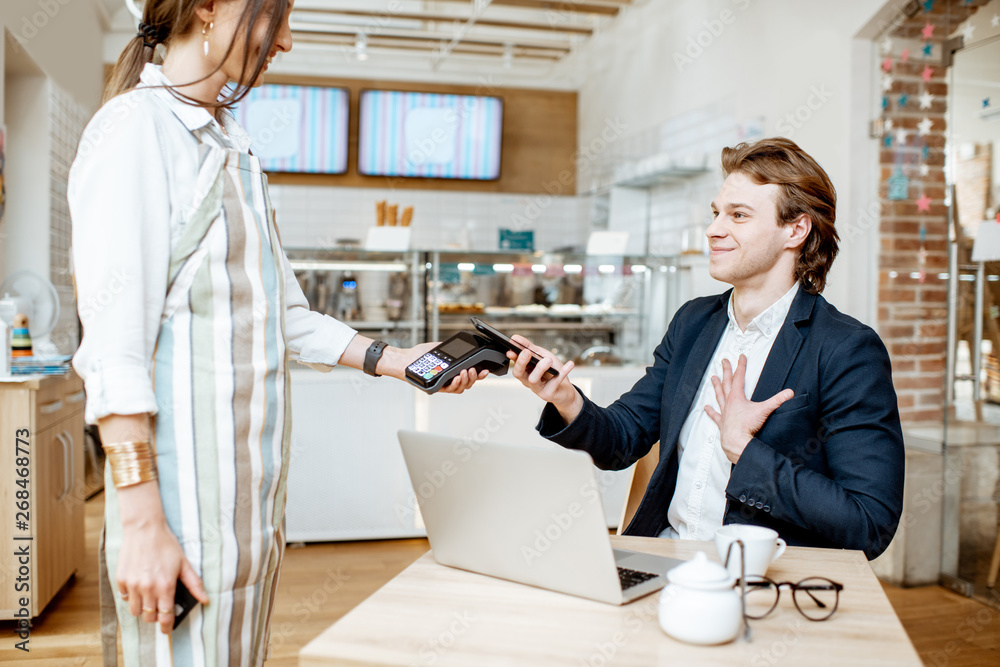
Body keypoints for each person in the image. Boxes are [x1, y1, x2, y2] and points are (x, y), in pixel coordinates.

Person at [69, 1, 485, 664]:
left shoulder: (231, 140)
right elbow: (113, 350)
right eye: (276, 16)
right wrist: (144, 523)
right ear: (207, 8)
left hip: (248, 509)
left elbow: (284, 313)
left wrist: (395, 359)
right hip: (178, 513)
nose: (286, 41)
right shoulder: (135, 132)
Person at [508, 137, 904, 561]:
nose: (714, 229)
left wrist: (744, 450)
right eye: (716, 213)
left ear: (796, 229)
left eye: (738, 215)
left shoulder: (846, 349)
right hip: (662, 560)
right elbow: (622, 438)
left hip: (760, 581)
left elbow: (868, 523)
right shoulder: (693, 322)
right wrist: (566, 399)